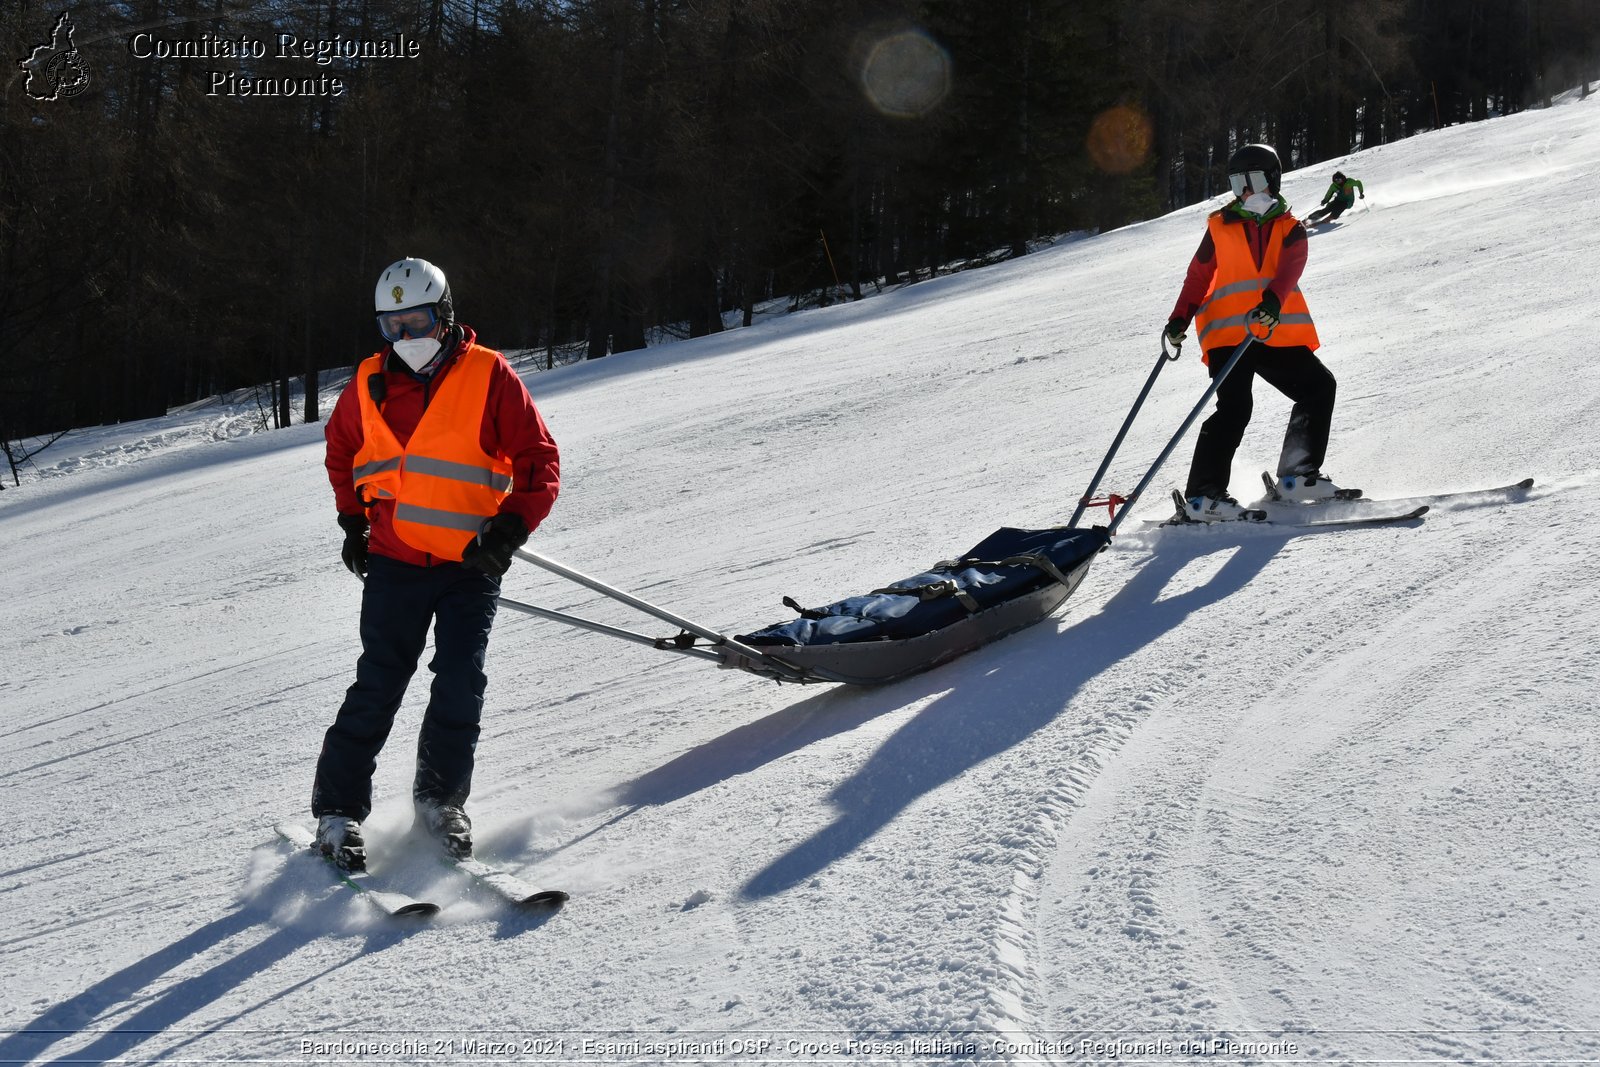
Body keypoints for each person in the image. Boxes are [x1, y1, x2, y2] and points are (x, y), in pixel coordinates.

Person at [314, 257, 560, 870]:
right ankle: (338, 810)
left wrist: (510, 528)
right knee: (380, 681)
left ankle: (440, 799)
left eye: (417, 320)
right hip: (396, 561)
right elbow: (342, 450)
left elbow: (538, 458)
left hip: (469, 565)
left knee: (459, 681)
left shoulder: (489, 376)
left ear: (444, 315)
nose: (407, 337)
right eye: (392, 325)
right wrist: (351, 520)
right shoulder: (369, 383)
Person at [1163, 143, 1349, 522]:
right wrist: (1180, 317)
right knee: (1235, 407)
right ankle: (1203, 496)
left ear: (1273, 180)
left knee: (1318, 387)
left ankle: (1297, 474)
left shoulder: (1290, 228)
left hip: (1269, 332)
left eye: (1255, 180)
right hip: (1227, 334)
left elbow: (1288, 273)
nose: (1246, 190)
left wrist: (1272, 302)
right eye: (1238, 182)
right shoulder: (1219, 225)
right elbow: (1199, 275)